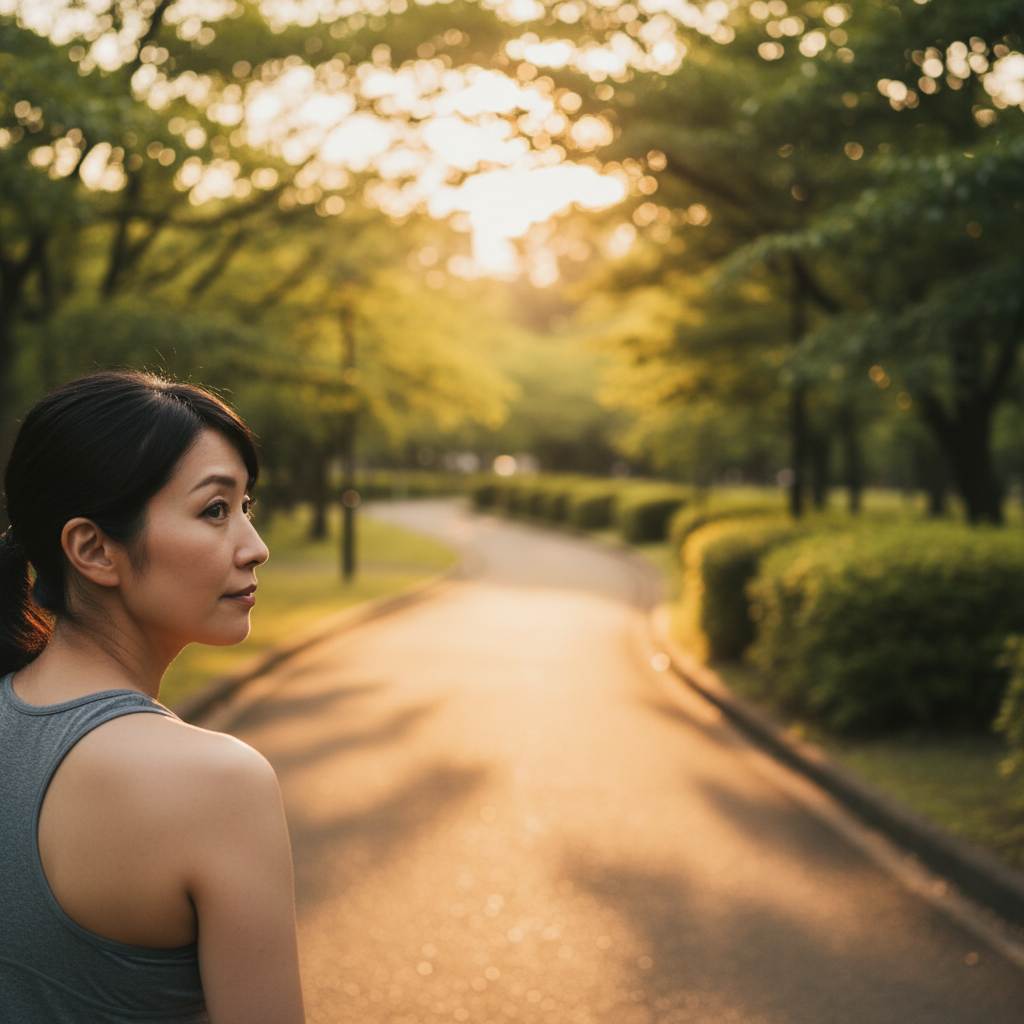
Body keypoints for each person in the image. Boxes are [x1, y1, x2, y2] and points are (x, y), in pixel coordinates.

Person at [0, 370, 305, 1024]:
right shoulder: (219, 784)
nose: (256, 548)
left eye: (244, 508)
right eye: (214, 510)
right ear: (93, 550)